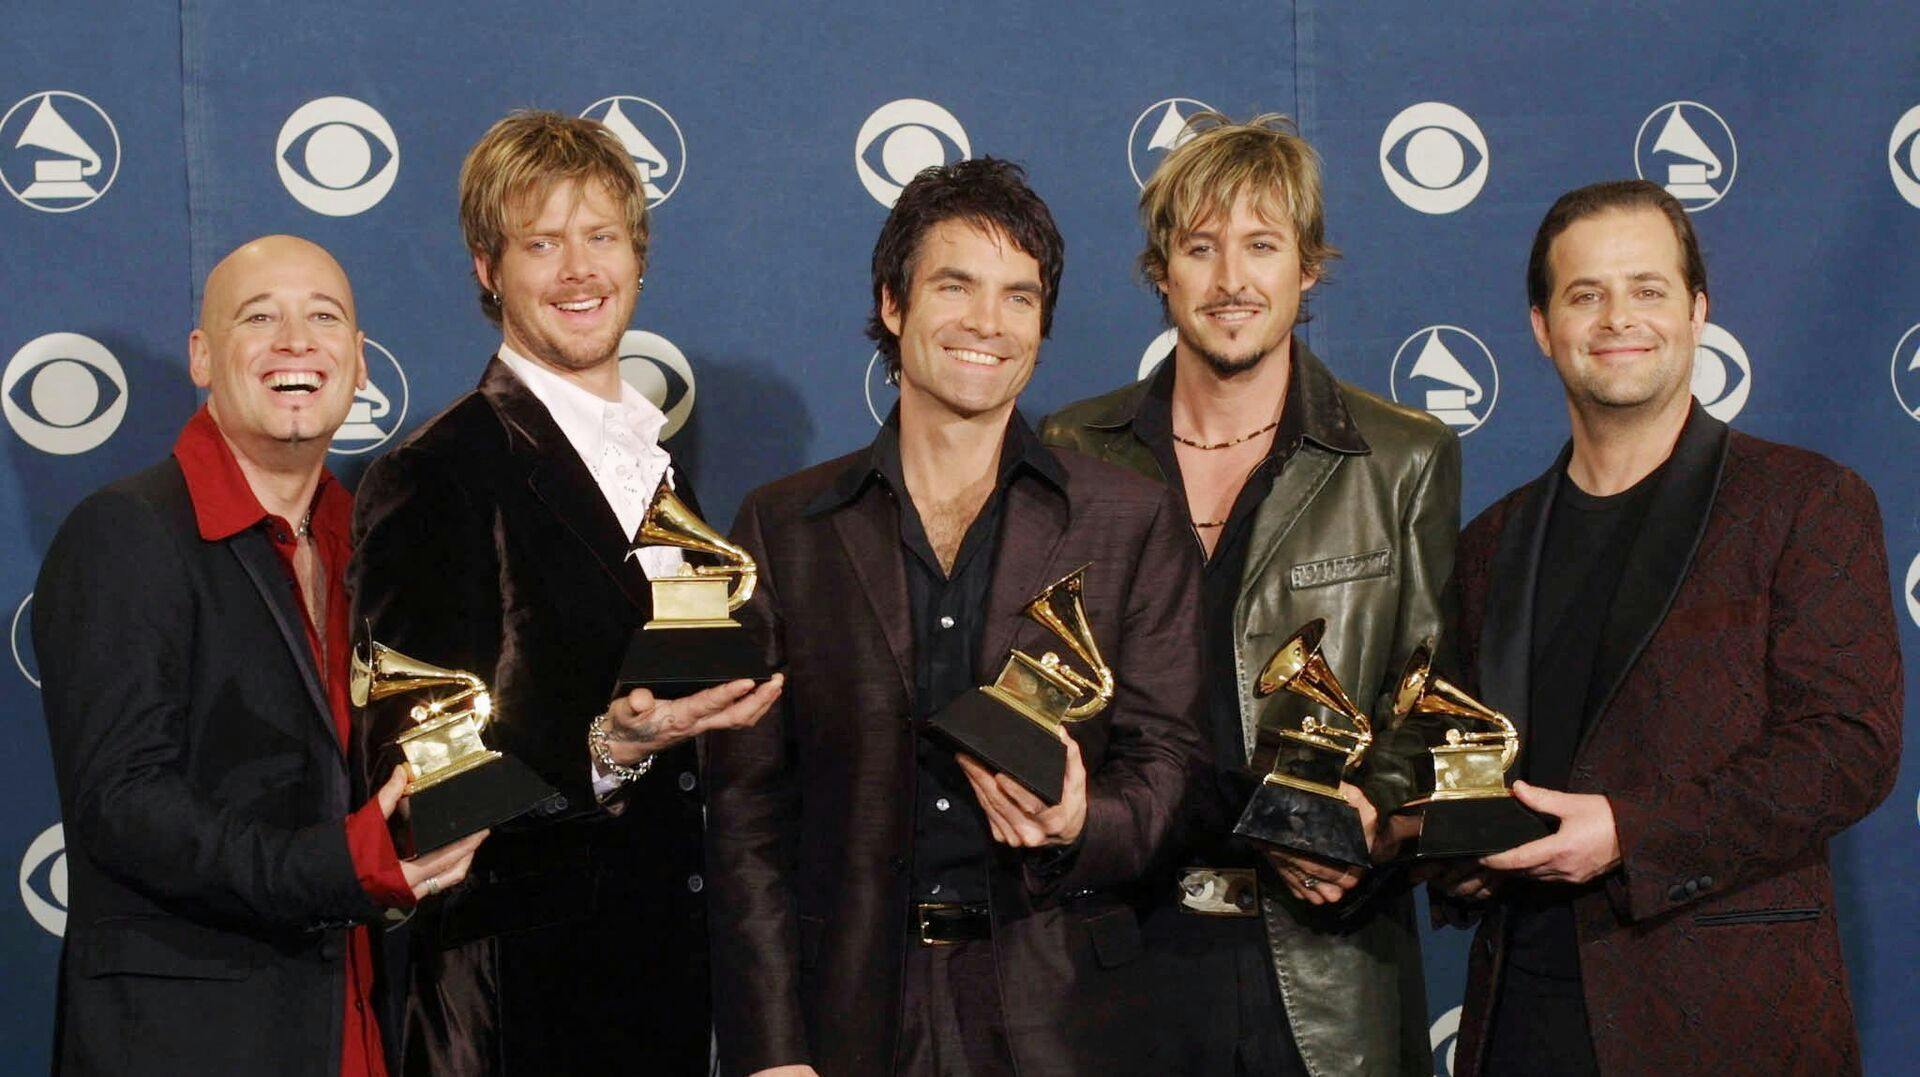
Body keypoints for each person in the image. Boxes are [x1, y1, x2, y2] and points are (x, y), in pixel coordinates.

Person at [704, 158, 1206, 1077]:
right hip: (848, 1016)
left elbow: (1172, 764)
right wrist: (772, 1048)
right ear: (893, 305)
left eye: (1020, 296)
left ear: (1043, 326)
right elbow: (746, 818)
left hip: (1067, 1019)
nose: (988, 322)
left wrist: (1084, 820)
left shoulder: (1129, 519)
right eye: (956, 286)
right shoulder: (783, 527)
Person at [1436, 179, 1903, 1075]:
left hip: (1732, 1021)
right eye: (1586, 294)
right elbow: (1470, 766)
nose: (1619, 317)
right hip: (1523, 1017)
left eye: (1647, 289)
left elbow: (1848, 747)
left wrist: (1629, 830)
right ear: (1541, 327)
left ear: (1696, 312)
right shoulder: (1492, 541)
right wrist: (1444, 851)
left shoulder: (1805, 502)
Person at [350, 111, 781, 1074]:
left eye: (601, 237)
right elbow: (419, 792)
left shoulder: (656, 467)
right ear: (487, 269)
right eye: (541, 243)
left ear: (640, 255)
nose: (579, 271)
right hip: (512, 1011)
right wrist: (607, 748)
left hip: (662, 997)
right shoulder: (439, 473)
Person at [1042, 112, 1455, 1076]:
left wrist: (1364, 814)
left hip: (1320, 967)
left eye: (1262, 245)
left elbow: (1431, 700)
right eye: (1201, 247)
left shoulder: (1400, 458)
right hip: (1117, 953)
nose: (1232, 281)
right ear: (1161, 271)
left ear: (1307, 267)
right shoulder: (1071, 450)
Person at [35, 235, 482, 1076]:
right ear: (202, 356)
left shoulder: (367, 546)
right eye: (259, 317)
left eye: (324, 317)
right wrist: (339, 866)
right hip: (190, 1043)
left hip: (356, 1021)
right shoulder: (128, 534)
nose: (295, 342)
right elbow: (122, 804)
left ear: (356, 359)